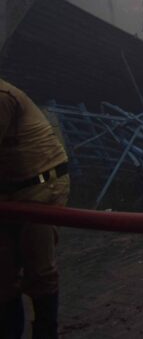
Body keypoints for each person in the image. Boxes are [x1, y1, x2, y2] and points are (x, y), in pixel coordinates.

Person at [0, 79, 70, 339]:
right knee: (3, 275)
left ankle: (45, 333)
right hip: (7, 192)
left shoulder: (1, 96)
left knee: (39, 270)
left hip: (40, 187)